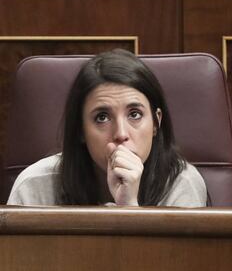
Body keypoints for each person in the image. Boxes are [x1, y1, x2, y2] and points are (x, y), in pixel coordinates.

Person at [8, 49, 207, 207]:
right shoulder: (34, 186)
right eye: (102, 117)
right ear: (80, 130)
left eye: (134, 114)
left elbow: (177, 260)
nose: (120, 133)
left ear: (156, 123)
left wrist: (128, 206)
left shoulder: (182, 184)